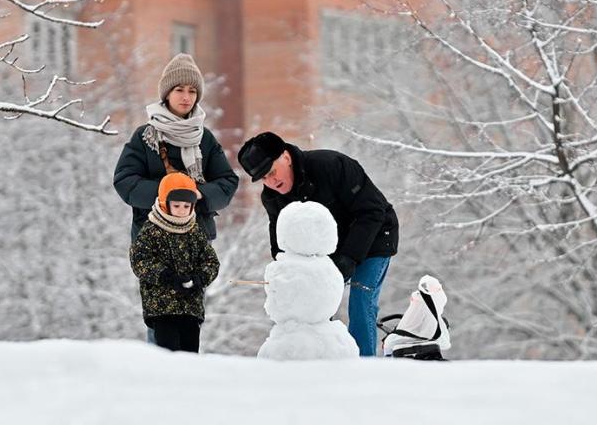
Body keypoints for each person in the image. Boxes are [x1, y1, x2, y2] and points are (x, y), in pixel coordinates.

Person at [237, 131, 399, 357]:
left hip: (374, 236)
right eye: (264, 178)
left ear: (286, 156)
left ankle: (363, 365)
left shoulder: (331, 165)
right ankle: (321, 365)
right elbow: (282, 242)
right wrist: (287, 274)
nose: (271, 182)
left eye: (272, 172)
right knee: (314, 306)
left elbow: (372, 211)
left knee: (361, 301)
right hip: (327, 254)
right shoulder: (273, 197)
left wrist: (350, 258)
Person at [114, 53, 238, 341]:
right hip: (153, 239)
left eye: (192, 91)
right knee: (159, 316)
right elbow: (124, 181)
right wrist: (167, 193)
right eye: (179, 90)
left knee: (189, 318)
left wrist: (198, 195)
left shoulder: (204, 138)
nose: (186, 97)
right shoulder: (145, 136)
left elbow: (228, 182)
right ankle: (160, 375)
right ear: (166, 93)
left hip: (194, 239)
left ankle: (187, 378)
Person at [130, 173, 220, 352]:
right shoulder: (152, 230)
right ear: (165, 203)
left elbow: (210, 261)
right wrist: (166, 277)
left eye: (186, 206)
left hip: (190, 309)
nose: (181, 210)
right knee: (168, 353)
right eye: (176, 205)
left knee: (190, 354)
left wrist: (200, 277)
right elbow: (139, 259)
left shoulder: (195, 232)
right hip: (162, 308)